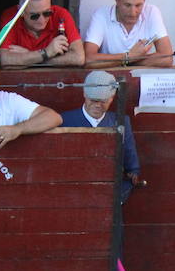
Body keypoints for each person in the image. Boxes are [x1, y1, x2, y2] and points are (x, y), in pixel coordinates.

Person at [56, 71, 141, 203]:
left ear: (112, 98)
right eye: (93, 100)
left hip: (107, 195)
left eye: (103, 101)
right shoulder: (63, 120)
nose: (97, 105)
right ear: (84, 94)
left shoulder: (122, 121)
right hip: (71, 194)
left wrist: (120, 194)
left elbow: (131, 167)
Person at [83, 0, 174, 68]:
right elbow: (89, 60)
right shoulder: (101, 15)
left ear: (145, 0)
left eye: (138, 5)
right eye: (127, 5)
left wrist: (128, 61)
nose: (133, 13)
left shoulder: (151, 12)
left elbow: (167, 58)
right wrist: (129, 56)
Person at [0, 0, 84, 68]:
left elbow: (78, 58)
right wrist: (46, 52)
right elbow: (5, 60)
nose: (42, 20)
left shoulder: (61, 15)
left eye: (47, 13)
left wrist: (33, 56)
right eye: (34, 16)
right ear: (21, 12)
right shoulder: (10, 17)